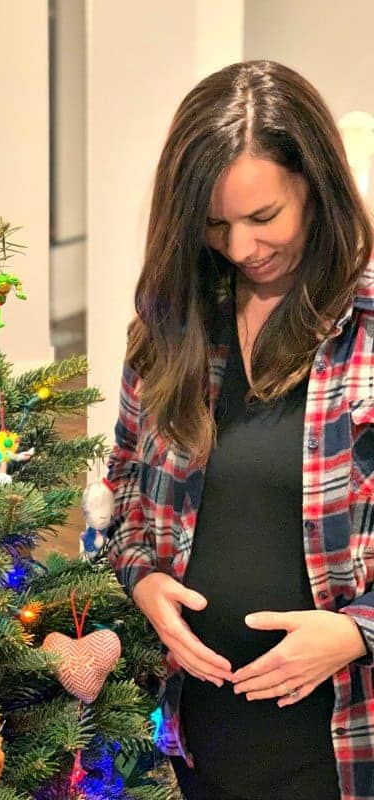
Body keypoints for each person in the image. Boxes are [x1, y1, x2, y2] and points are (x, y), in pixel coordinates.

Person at [105, 59, 374, 800]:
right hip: (194, 744)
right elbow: (124, 485)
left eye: (265, 219)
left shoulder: (367, 335)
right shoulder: (172, 326)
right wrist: (144, 581)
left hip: (341, 744)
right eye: (216, 224)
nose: (241, 248)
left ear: (318, 191)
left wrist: (356, 633)